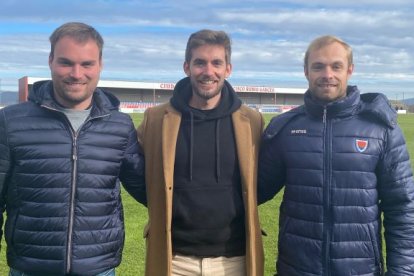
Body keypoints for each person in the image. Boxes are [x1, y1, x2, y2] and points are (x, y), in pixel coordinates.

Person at [258, 35, 414, 275]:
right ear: (306, 72)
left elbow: (402, 208)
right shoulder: (285, 128)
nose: (327, 74)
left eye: (336, 66)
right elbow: (253, 189)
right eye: (318, 66)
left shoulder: (381, 129)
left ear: (350, 70)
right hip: (297, 269)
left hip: (361, 270)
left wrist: (402, 272)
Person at [0, 22, 146, 276]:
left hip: (98, 269)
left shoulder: (120, 126)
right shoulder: (11, 122)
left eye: (87, 64)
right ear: (50, 61)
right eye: (66, 62)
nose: (76, 74)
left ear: (100, 64)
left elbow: (149, 188)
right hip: (30, 268)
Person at [137, 29, 264, 276]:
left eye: (216, 63)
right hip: (174, 261)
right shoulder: (156, 119)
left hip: (235, 260)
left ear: (228, 69)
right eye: (199, 63)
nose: (208, 71)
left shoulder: (252, 121)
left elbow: (264, 181)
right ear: (187, 67)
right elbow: (137, 173)